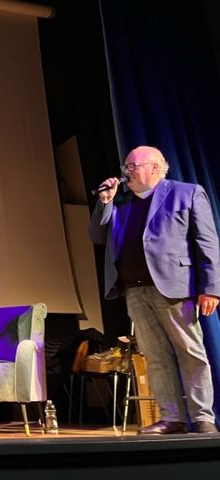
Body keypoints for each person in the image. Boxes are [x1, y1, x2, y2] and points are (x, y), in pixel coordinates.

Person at [89, 145, 220, 435]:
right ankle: (171, 417)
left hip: (175, 288)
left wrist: (211, 288)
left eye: (133, 167)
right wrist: (105, 202)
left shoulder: (186, 193)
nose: (127, 172)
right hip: (135, 290)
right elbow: (97, 236)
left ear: (156, 168)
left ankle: (202, 417)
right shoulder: (120, 201)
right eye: (126, 167)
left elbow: (207, 242)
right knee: (156, 356)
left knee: (191, 353)